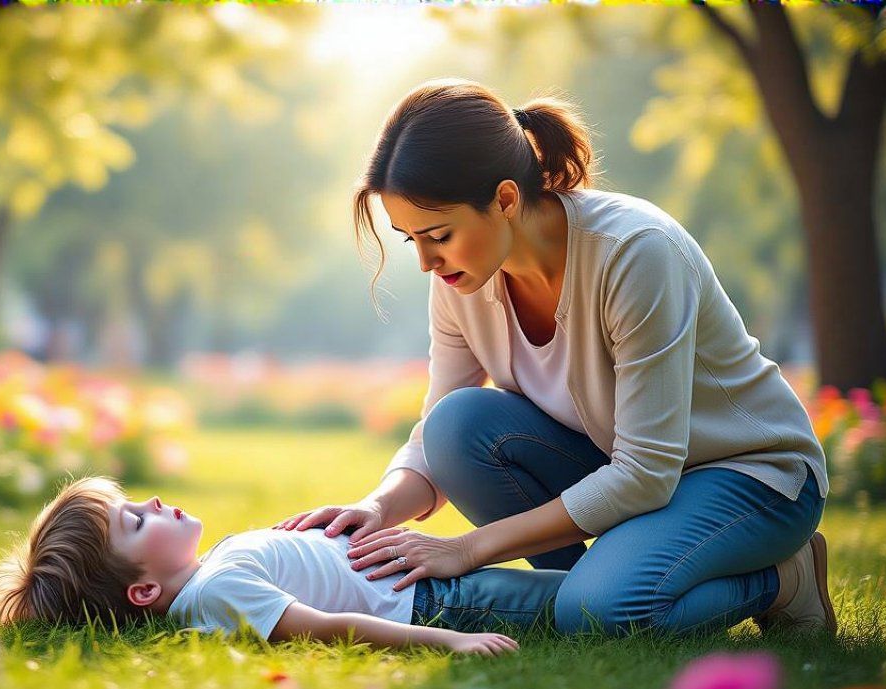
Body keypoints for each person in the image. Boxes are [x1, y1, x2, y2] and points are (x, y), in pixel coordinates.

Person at [274, 78, 836, 639]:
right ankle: (593, 587)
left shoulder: (635, 252)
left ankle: (783, 578)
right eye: (409, 239)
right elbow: (435, 439)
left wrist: (468, 549)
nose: (426, 261)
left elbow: (646, 472)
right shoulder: (461, 279)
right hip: (623, 469)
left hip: (750, 476)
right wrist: (376, 509)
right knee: (457, 424)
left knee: (603, 612)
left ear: (505, 200)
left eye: (438, 235)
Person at [0, 475, 572, 656]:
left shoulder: (211, 570)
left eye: (134, 502)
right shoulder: (218, 593)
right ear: (142, 591)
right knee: (579, 602)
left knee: (571, 590)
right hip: (437, 603)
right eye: (135, 522)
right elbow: (330, 627)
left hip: (421, 576)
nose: (153, 502)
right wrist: (450, 640)